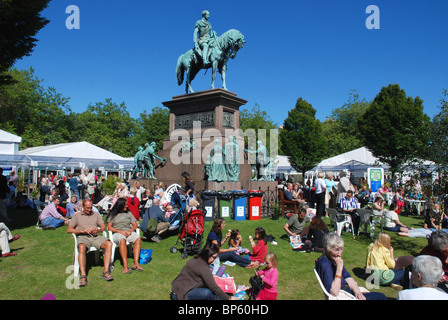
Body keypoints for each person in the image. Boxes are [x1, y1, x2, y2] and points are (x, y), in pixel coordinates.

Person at [315, 233, 387, 300]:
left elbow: (348, 277)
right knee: (380, 296)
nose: (339, 254)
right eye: (336, 250)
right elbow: (334, 292)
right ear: (325, 248)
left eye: (341, 249)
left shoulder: (333, 260)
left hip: (349, 291)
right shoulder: (324, 263)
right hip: (342, 295)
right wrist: (339, 269)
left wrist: (357, 292)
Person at [67, 199, 114, 286]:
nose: (89, 210)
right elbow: (69, 229)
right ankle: (83, 275)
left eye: (91, 208)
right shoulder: (77, 215)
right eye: (87, 208)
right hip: (83, 236)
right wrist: (82, 231)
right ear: (83, 207)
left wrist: (98, 230)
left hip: (95, 237)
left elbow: (103, 227)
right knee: (81, 247)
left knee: (109, 244)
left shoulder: (95, 214)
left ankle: (106, 271)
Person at [106, 197, 143, 273]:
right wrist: (119, 231)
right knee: (122, 239)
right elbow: (109, 227)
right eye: (125, 205)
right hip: (117, 233)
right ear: (120, 205)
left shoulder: (128, 213)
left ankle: (136, 263)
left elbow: (135, 224)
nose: (127, 206)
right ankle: (125, 266)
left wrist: (130, 231)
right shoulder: (113, 214)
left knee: (138, 238)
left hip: (128, 232)